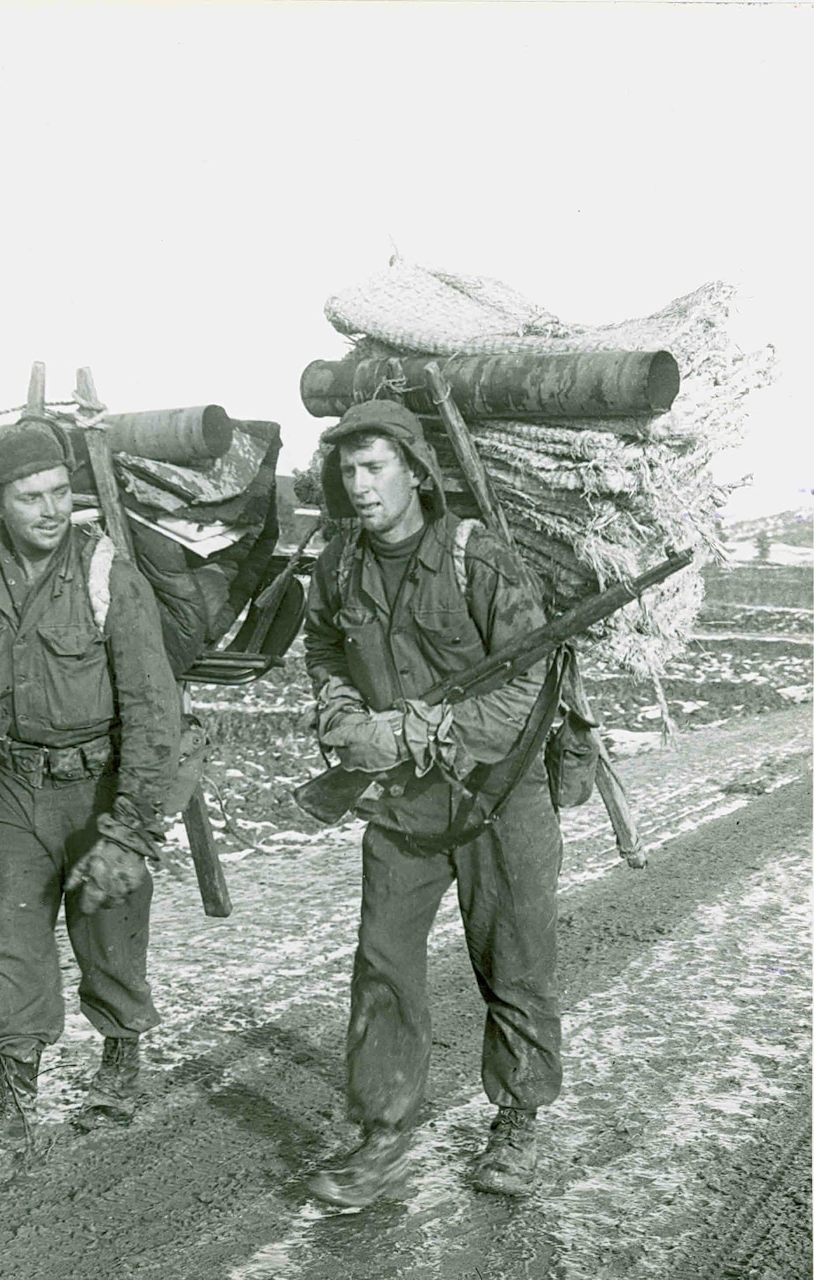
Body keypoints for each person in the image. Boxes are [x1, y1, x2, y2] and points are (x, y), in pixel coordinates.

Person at [0, 418, 193, 1190]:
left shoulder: (106, 575)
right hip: (11, 790)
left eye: (61, 492)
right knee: (15, 950)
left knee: (109, 936)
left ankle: (122, 1057)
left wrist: (130, 830)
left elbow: (153, 708)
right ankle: (11, 1115)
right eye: (31, 496)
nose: (50, 509)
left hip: (98, 788)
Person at [302, 400, 565, 1208]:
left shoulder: (475, 557)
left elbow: (532, 680)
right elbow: (322, 650)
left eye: (375, 466)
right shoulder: (337, 565)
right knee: (381, 966)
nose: (360, 484)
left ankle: (517, 1123)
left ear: (415, 471)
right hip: (401, 808)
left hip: (497, 795)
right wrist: (345, 722)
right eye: (349, 470)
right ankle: (382, 1133)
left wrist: (421, 731)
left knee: (513, 963)